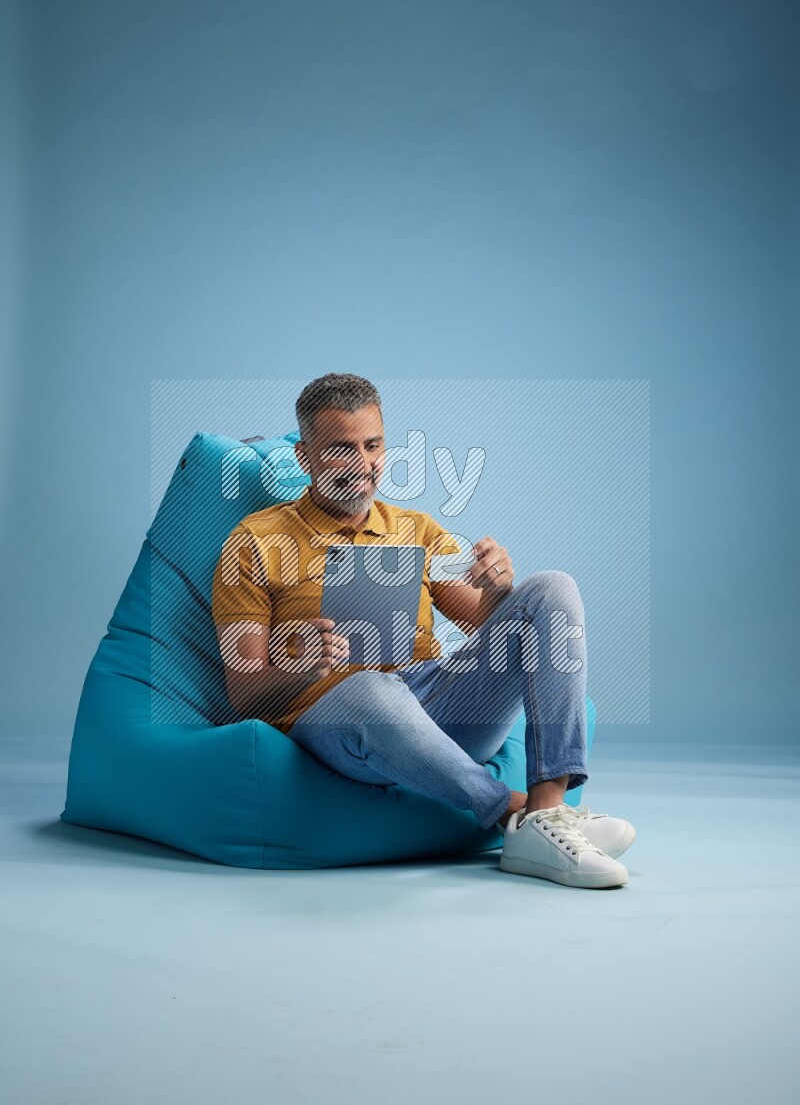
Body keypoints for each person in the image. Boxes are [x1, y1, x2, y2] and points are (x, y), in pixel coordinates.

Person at [211, 373, 636, 889]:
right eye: (341, 450)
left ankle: (547, 812)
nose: (363, 465)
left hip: (435, 708)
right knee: (372, 688)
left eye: (373, 446)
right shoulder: (255, 541)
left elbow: (491, 627)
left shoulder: (415, 529)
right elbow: (244, 693)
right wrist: (300, 666)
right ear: (306, 458)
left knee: (551, 588)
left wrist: (498, 586)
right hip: (342, 726)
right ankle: (510, 813)